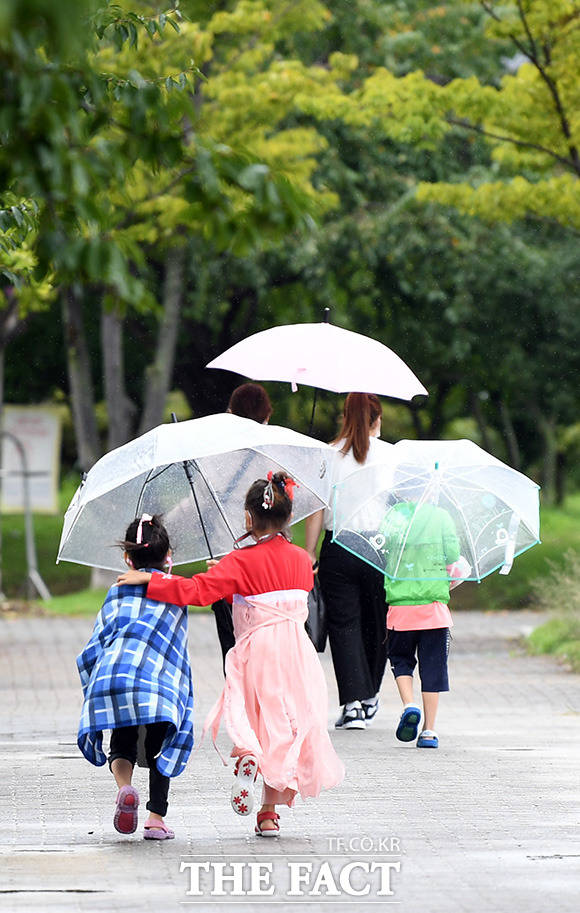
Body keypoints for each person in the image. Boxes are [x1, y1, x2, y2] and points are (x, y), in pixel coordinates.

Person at [117, 473, 344, 837]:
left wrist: (152, 580)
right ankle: (268, 812)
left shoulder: (239, 561)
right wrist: (230, 578)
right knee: (287, 724)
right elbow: (276, 600)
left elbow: (197, 592)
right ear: (288, 517)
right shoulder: (303, 560)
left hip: (258, 652)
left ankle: (249, 753)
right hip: (297, 653)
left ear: (249, 519)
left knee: (257, 719)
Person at [76, 515, 194, 840]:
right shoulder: (174, 593)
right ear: (168, 555)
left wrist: (93, 678)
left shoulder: (118, 591)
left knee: (122, 740)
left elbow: (98, 641)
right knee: (159, 746)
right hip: (159, 683)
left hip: (118, 676)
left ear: (128, 558)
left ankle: (125, 788)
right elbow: (176, 651)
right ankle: (156, 819)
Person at [305, 392, 388, 730]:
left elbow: (316, 510)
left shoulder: (327, 457)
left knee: (344, 624)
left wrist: (309, 553)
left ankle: (353, 704)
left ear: (344, 417)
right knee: (377, 622)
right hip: (379, 546)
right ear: (377, 420)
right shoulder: (391, 457)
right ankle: (370, 696)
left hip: (339, 546)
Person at [380, 495, 469, 749]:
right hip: (434, 607)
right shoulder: (441, 515)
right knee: (432, 668)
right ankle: (429, 731)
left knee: (400, 659)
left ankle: (409, 704)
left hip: (400, 604)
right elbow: (452, 554)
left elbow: (382, 546)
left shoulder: (395, 516)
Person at [212, 382, 274, 671]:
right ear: (267, 417)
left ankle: (241, 703)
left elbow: (196, 501)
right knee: (268, 642)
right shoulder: (277, 457)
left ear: (230, 413)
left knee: (233, 645)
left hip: (227, 561)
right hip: (267, 566)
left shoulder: (215, 456)